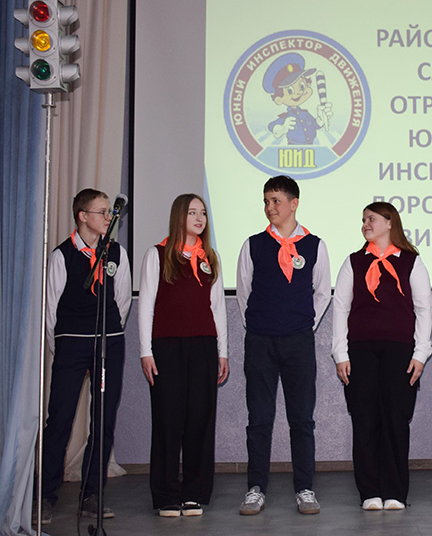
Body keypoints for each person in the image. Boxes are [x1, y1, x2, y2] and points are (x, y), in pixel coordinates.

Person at [236, 175, 330, 515]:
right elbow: (244, 294)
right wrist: (259, 326)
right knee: (259, 419)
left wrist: (302, 325)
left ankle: (304, 488)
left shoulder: (315, 245)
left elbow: (322, 293)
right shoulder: (253, 245)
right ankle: (256, 488)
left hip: (298, 342)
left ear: (294, 203)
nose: (270, 207)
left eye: (276, 200)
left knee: (301, 420)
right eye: (266, 201)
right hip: (260, 342)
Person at [38, 189, 131, 525]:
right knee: (60, 420)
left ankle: (92, 495)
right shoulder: (61, 256)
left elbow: (122, 301)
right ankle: (44, 496)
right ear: (82, 216)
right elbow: (51, 311)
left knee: (103, 421)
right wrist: (64, 346)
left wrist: (108, 335)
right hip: (71, 345)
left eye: (109, 212)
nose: (108, 217)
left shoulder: (117, 253)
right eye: (102, 212)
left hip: (109, 344)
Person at [331, 202, 432, 511]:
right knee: (365, 421)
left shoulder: (411, 262)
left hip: (400, 352)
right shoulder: (353, 262)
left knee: (396, 421)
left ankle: (395, 492)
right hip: (360, 352)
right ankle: (370, 492)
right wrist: (340, 353)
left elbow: (424, 309)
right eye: (363, 219)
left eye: (371, 219)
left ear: (390, 223)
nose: (365, 224)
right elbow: (340, 309)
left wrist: (420, 353)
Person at [138, 194, 229, 517]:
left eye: (202, 212)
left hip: (203, 346)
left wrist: (223, 352)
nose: (199, 218)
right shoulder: (158, 254)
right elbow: (146, 304)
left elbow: (217, 307)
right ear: (179, 216)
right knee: (167, 420)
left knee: (200, 420)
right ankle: (166, 494)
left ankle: (194, 492)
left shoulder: (210, 258)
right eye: (192, 212)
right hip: (167, 348)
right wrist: (146, 351)